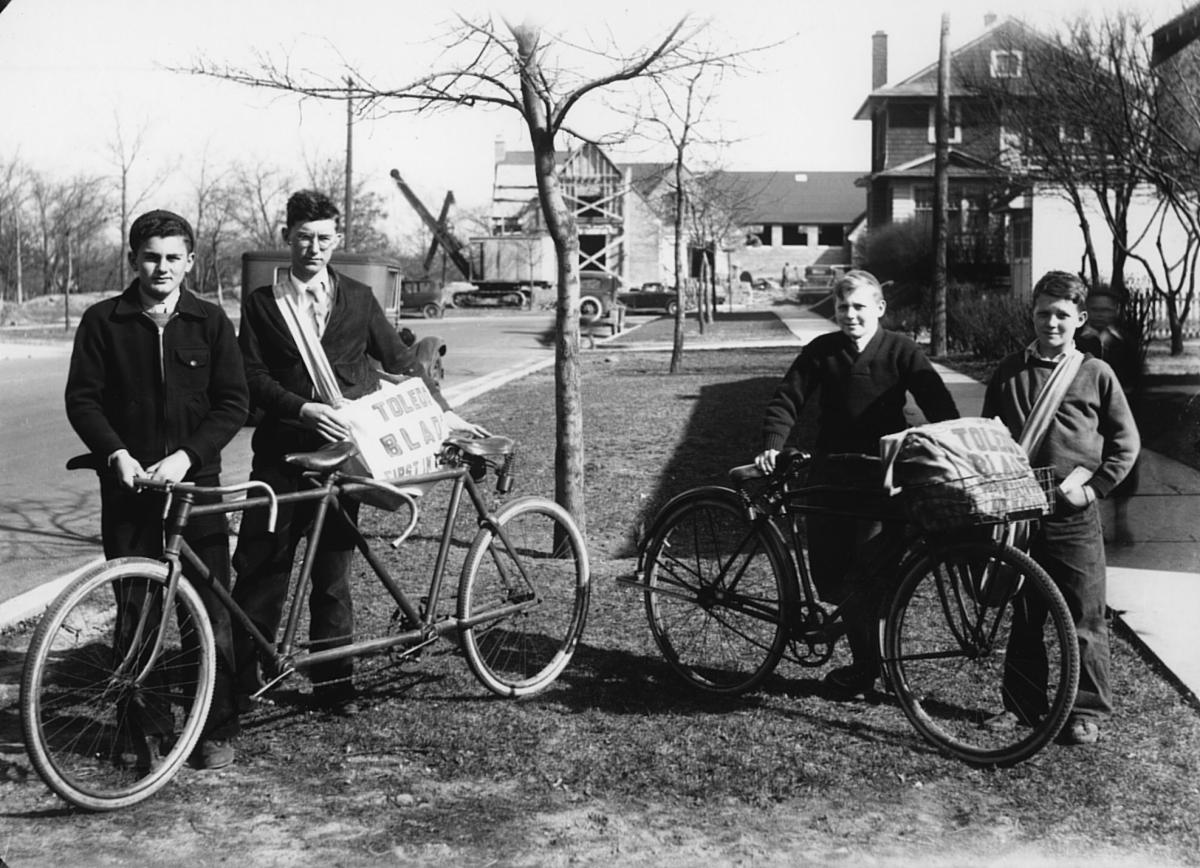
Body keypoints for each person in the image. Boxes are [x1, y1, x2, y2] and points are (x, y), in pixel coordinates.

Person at [232, 189, 482, 716]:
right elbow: (251, 377)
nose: (313, 248)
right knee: (263, 567)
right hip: (281, 453)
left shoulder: (358, 298)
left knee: (333, 572)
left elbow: (401, 362)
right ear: (286, 239)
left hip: (344, 455)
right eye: (303, 237)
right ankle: (249, 681)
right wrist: (300, 408)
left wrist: (445, 414)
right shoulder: (262, 304)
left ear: (337, 240)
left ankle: (332, 685)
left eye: (324, 238)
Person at [65, 209, 248, 770]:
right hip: (129, 492)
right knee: (136, 611)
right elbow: (83, 400)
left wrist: (187, 458)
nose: (161, 267)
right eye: (151, 256)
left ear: (191, 262)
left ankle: (213, 727)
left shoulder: (211, 322)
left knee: (209, 611)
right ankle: (140, 722)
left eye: (173, 257)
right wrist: (116, 454)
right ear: (133, 259)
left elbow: (233, 403)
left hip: (198, 493)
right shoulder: (103, 321)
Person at [755, 269, 960, 696]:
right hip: (830, 476)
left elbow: (936, 401)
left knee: (868, 573)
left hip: (880, 479)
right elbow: (787, 398)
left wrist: (956, 443)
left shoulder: (902, 351)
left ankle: (869, 668)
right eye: (843, 307)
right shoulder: (822, 351)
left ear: (880, 309)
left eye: (860, 307)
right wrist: (774, 442)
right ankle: (866, 662)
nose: (850, 315)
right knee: (829, 574)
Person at [982, 270, 1140, 746]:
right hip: (1022, 511)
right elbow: (989, 434)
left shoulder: (1096, 373)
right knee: (1026, 612)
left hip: (1073, 514)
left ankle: (1086, 710)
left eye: (1062, 315)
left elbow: (1125, 444)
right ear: (1031, 314)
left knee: (1084, 617)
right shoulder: (1010, 369)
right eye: (1042, 313)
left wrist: (1094, 489)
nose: (1051, 323)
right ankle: (1022, 705)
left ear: (1080, 319)